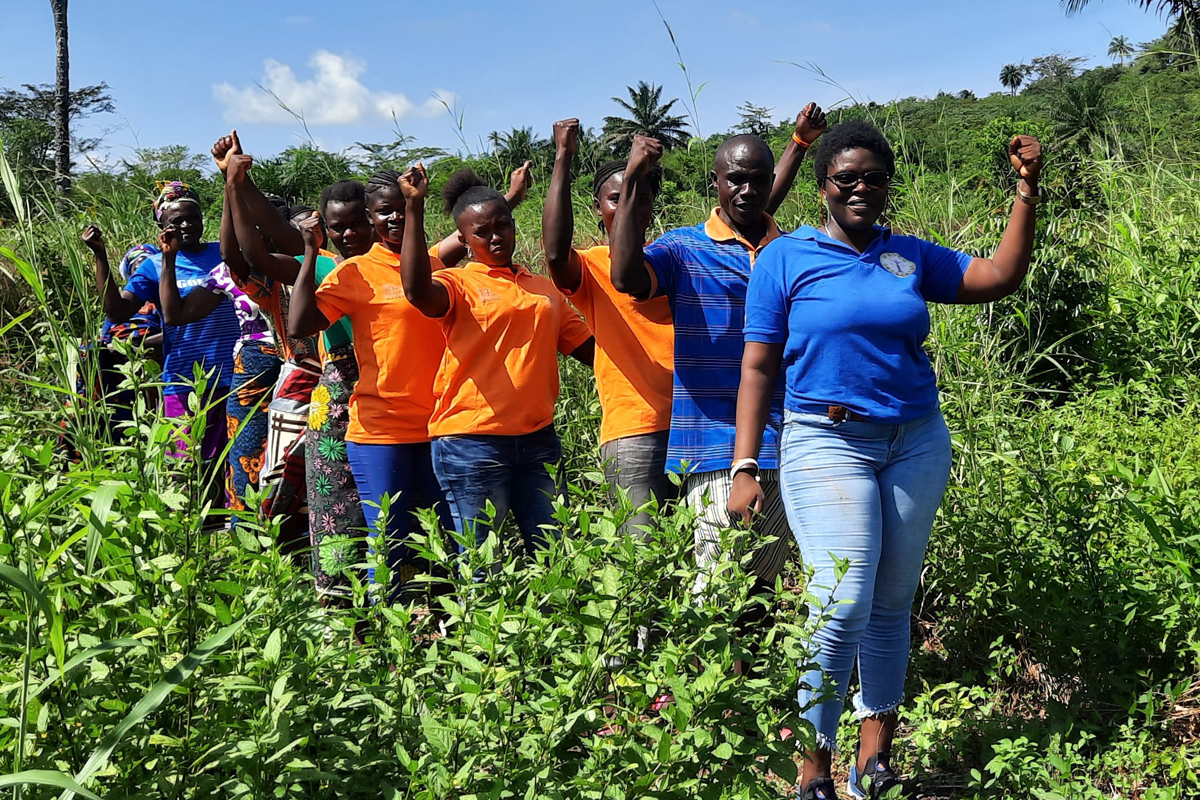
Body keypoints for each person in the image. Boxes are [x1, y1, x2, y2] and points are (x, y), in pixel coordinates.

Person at [729, 121, 1044, 800]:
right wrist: (745, 466)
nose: (862, 189)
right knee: (840, 602)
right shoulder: (784, 259)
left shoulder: (906, 256)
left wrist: (1026, 190)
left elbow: (996, 276)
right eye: (847, 178)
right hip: (826, 441)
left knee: (891, 602)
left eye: (875, 177)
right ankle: (813, 766)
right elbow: (756, 367)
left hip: (916, 442)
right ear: (822, 189)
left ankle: (874, 759)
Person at [607, 104, 826, 590]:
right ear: (716, 182)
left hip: (791, 441)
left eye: (757, 180)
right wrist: (636, 176)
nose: (746, 191)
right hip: (713, 450)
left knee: (769, 589)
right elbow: (625, 276)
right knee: (715, 590)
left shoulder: (791, 249)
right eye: (735, 180)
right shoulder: (684, 248)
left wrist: (799, 142)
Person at [399, 164, 594, 558]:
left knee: (554, 553)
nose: (495, 237)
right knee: (481, 561)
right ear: (465, 239)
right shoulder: (458, 282)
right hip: (472, 441)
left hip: (538, 439)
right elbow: (418, 292)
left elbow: (589, 348)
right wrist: (413, 208)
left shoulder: (542, 290)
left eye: (501, 225)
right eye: (481, 232)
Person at [289, 169, 453, 599]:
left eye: (403, 210)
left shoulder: (437, 269)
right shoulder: (356, 272)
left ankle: (428, 630)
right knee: (387, 541)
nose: (395, 220)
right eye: (385, 213)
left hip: (440, 428)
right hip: (382, 429)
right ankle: (380, 637)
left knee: (435, 541)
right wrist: (310, 252)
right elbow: (300, 324)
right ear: (372, 218)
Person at [155, 191, 282, 523]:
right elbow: (175, 314)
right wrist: (168, 258)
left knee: (278, 458)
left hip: (295, 375)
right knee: (234, 456)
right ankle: (222, 530)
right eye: (251, 228)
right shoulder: (228, 272)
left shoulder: (310, 264)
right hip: (242, 375)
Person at [100, 182, 240, 480]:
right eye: (176, 221)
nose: (187, 225)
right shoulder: (152, 266)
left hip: (234, 374)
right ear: (162, 225)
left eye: (193, 217)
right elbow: (117, 312)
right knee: (184, 465)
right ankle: (190, 525)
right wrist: (100, 255)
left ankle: (233, 525)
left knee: (235, 464)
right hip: (184, 378)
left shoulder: (223, 254)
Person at [71, 237, 163, 453]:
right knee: (89, 354)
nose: (141, 268)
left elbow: (171, 335)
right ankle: (87, 426)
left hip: (144, 353)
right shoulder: (123, 304)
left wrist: (133, 346)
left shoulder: (164, 300)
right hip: (116, 354)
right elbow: (109, 333)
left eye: (147, 264)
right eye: (136, 267)